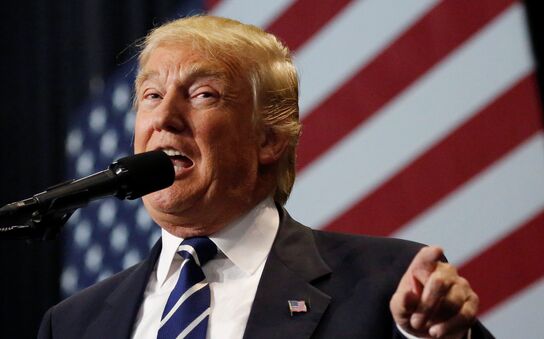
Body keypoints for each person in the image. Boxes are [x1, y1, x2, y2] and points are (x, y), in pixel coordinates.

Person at [38, 15, 494, 339]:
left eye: (202, 93)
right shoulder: (74, 323)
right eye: (152, 94)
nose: (165, 118)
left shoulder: (388, 284)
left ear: (269, 139)